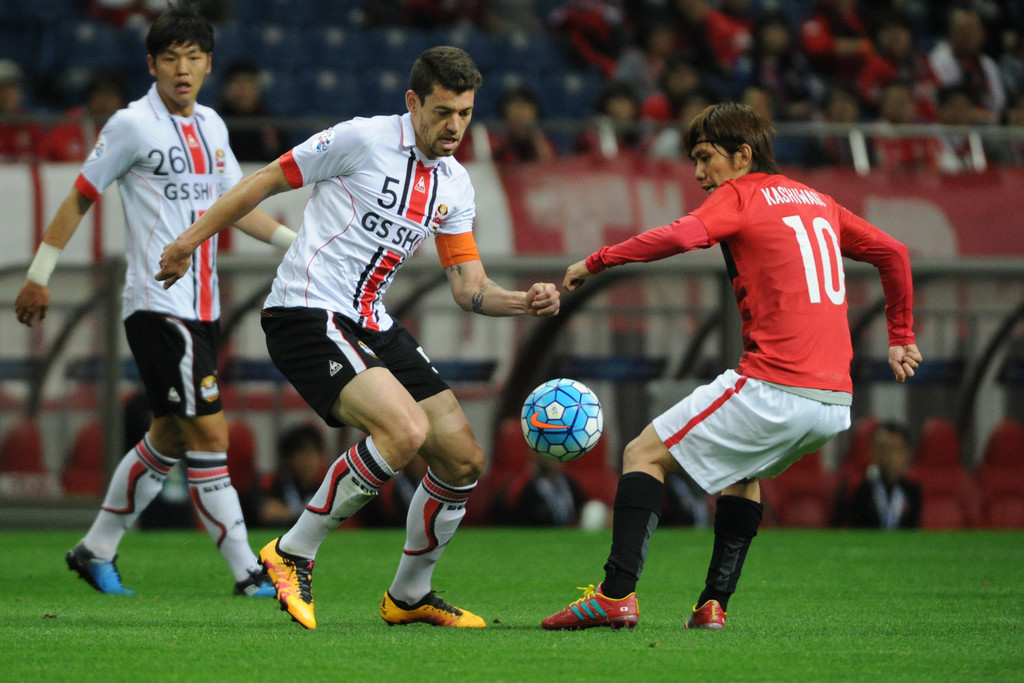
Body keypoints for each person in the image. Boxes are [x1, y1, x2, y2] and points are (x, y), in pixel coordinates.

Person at [156, 46, 561, 630]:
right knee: (403, 429)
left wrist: (520, 302)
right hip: (305, 312)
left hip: (370, 320)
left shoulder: (455, 183)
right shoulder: (362, 140)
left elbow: (468, 286)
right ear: (412, 102)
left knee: (463, 459)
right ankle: (292, 551)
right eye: (443, 111)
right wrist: (190, 241)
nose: (454, 126)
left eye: (466, 114)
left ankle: (410, 594)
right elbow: (265, 181)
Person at [541, 101, 921, 631]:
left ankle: (615, 595)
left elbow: (678, 236)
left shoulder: (741, 194)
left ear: (742, 156)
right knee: (744, 472)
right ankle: (713, 605)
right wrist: (900, 337)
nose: (699, 174)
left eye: (705, 158)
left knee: (642, 454)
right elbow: (894, 252)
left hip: (775, 384)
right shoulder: (818, 201)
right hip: (834, 403)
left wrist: (598, 259)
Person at [14, 0, 295, 597]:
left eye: (193, 57)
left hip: (204, 307)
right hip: (158, 303)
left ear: (209, 64)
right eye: (171, 58)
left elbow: (235, 208)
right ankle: (248, 572)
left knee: (170, 435)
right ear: (152, 65)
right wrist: (40, 272)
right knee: (210, 435)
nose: (183, 68)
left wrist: (295, 244)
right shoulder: (129, 125)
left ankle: (95, 549)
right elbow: (80, 197)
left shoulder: (214, 126)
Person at [835, 421, 921, 529]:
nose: (888, 455)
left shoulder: (912, 490)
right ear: (872, 451)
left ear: (906, 453)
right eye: (882, 448)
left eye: (894, 448)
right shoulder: (856, 486)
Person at [43, 70, 128, 162]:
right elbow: (47, 161)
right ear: (88, 99)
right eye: (100, 94)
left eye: (111, 95)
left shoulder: (132, 130)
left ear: (121, 102)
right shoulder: (68, 124)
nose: (105, 101)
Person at [256, 423, 329, 527]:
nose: (309, 461)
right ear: (288, 459)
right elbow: (267, 513)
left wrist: (290, 514)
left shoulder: (326, 490)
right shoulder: (273, 487)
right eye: (303, 454)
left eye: (314, 453)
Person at [214, 60, 287, 163]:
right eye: (236, 81)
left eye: (249, 81)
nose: (243, 87)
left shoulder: (273, 126)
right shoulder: (213, 122)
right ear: (225, 88)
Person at [0, 59, 44, 161]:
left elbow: (43, 158)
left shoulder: (29, 123)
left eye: (12, 87)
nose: (6, 94)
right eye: (2, 88)